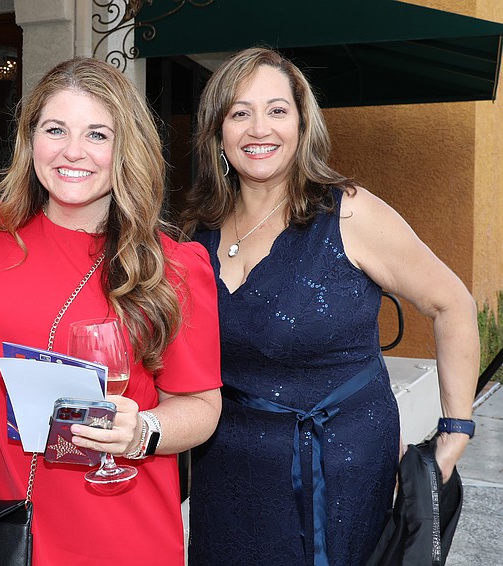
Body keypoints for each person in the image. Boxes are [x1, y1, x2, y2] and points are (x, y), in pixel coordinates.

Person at [179, 47, 480, 566]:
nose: (259, 129)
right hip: (224, 475)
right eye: (239, 112)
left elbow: (452, 304)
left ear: (302, 123)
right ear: (217, 131)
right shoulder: (194, 232)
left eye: (277, 110)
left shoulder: (348, 213)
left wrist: (455, 433)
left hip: (341, 472)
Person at [0, 57, 222, 565]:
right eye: (55, 129)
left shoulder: (173, 267)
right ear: (29, 137)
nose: (72, 152)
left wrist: (143, 430)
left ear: (127, 147)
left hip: (116, 530)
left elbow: (203, 408)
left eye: (98, 134)